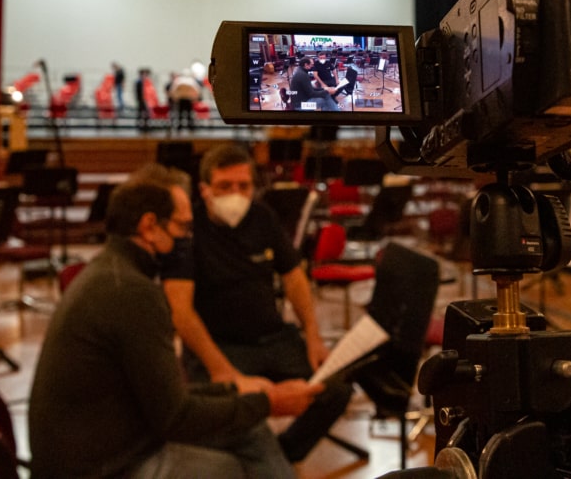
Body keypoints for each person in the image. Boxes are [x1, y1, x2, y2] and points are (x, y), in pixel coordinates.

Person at [28, 163, 321, 478]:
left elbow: (166, 396)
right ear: (150, 226)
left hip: (105, 442)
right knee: (226, 468)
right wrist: (267, 403)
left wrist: (243, 395)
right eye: (182, 228)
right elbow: (175, 416)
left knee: (249, 431)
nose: (187, 239)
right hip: (97, 468)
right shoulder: (132, 292)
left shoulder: (112, 271)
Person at [161, 144, 353, 463]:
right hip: (219, 345)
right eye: (225, 186)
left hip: (272, 338)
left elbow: (293, 278)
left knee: (336, 389)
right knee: (226, 410)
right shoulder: (189, 228)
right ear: (205, 189)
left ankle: (283, 454)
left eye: (243, 186)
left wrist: (314, 337)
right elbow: (181, 311)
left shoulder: (262, 216)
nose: (235, 194)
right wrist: (223, 370)